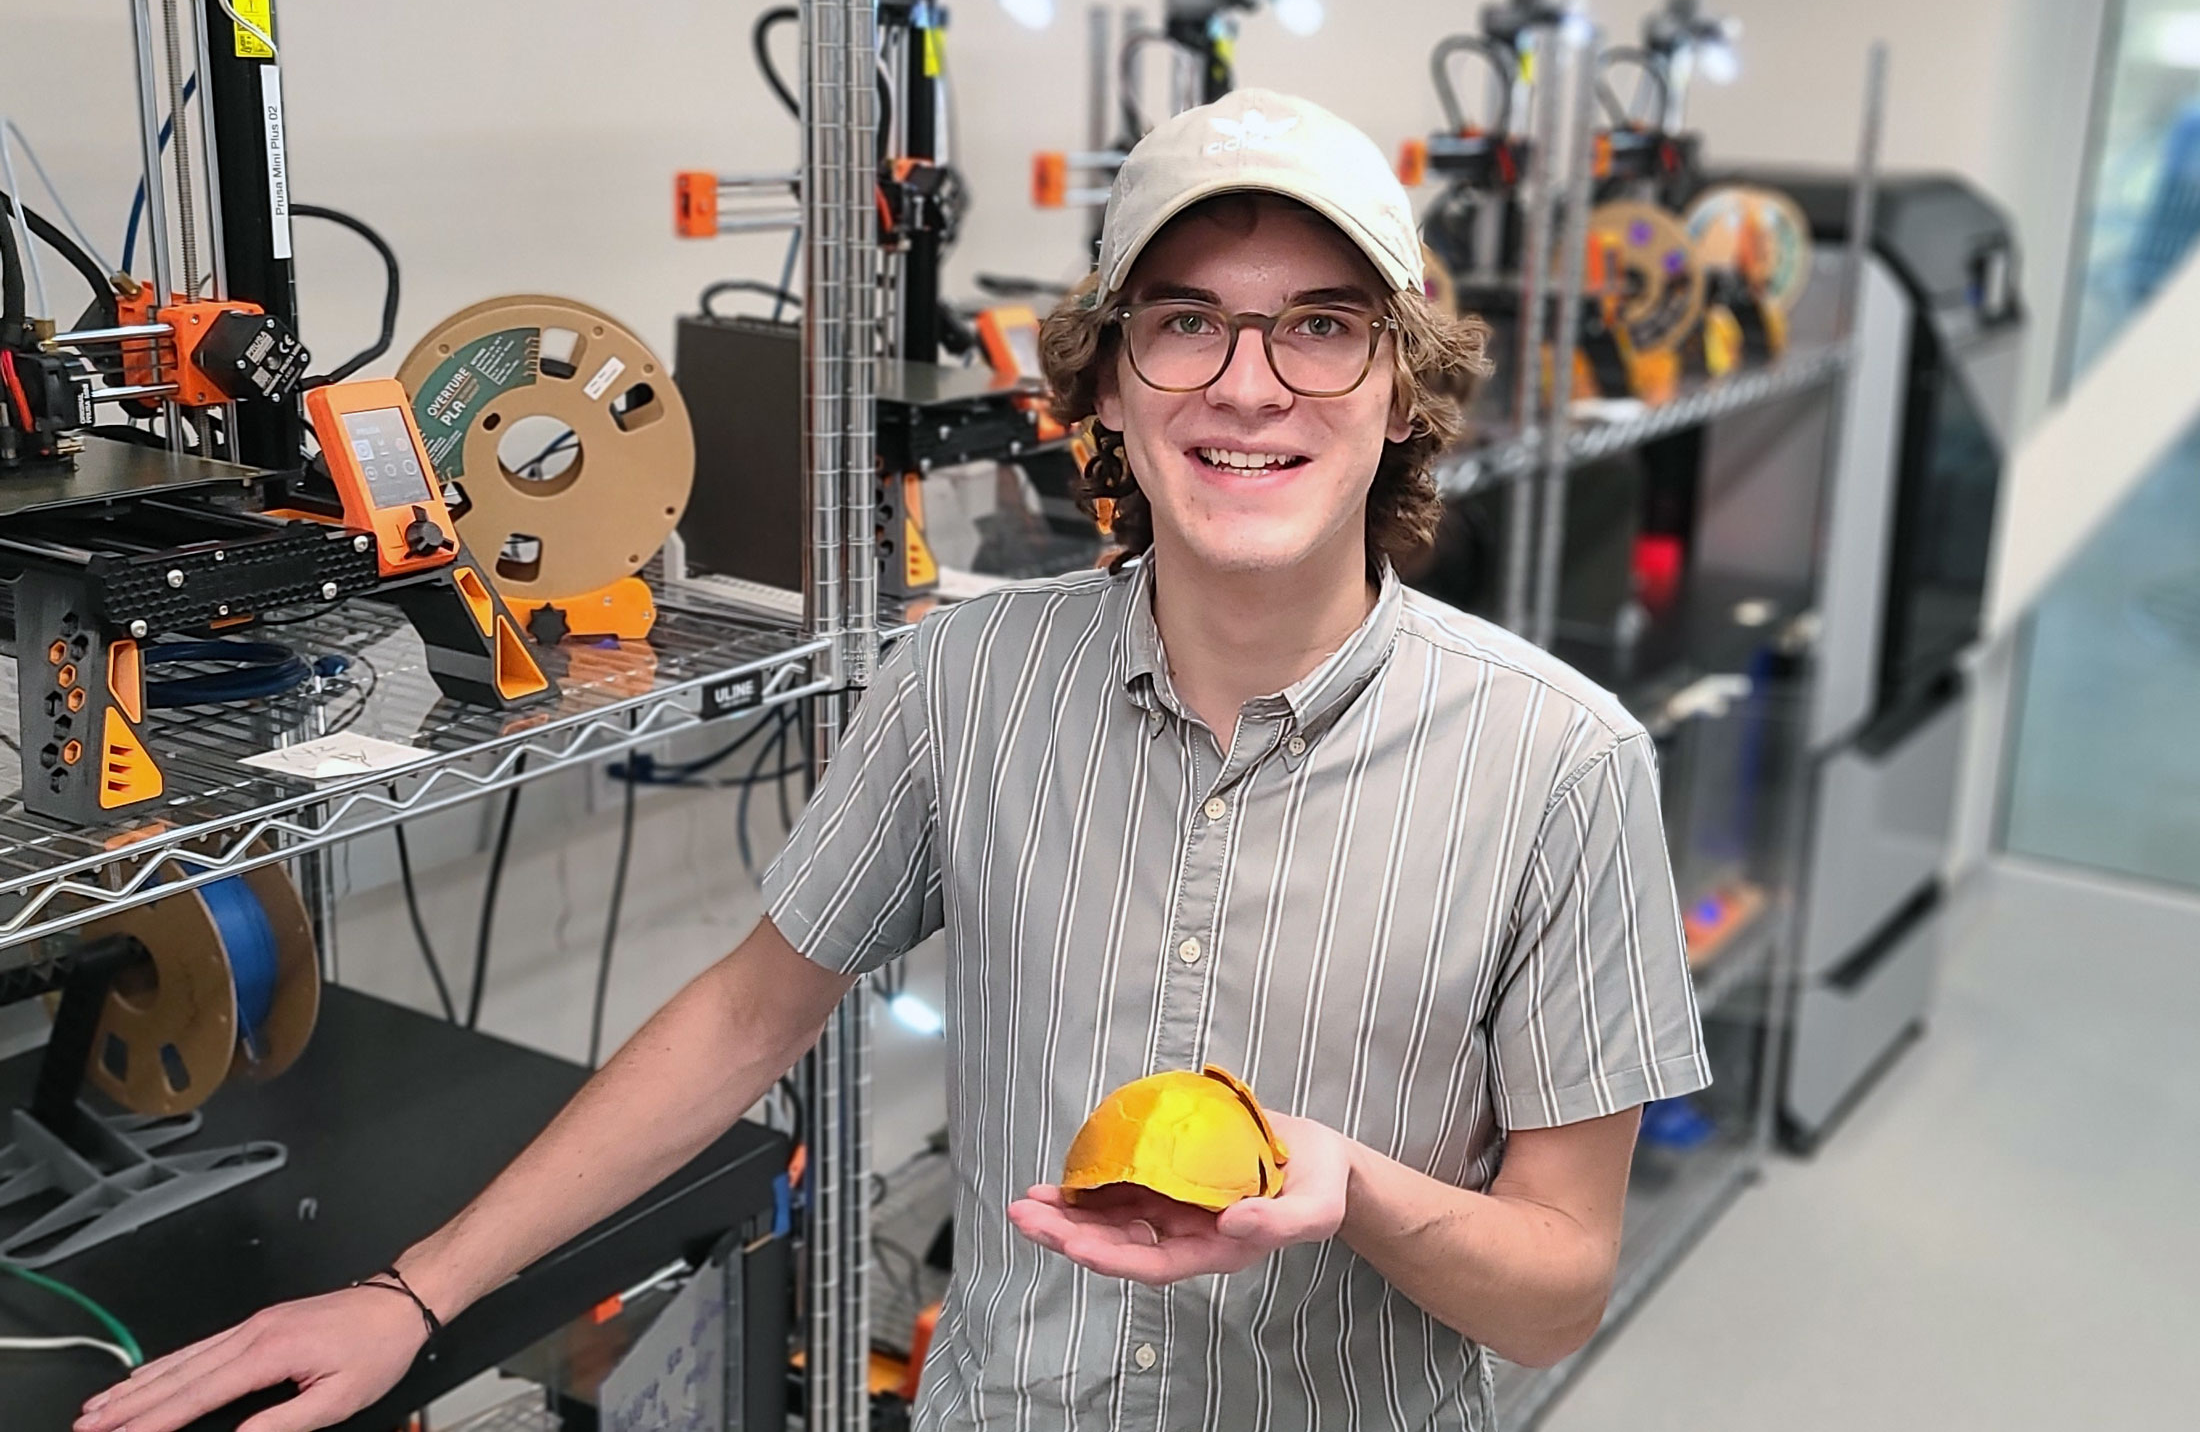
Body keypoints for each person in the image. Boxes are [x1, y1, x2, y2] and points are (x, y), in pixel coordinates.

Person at [78, 88, 1708, 1432]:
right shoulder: (967, 682)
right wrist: (411, 1292)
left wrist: (1352, 1186)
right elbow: (747, 1010)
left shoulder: (1559, 766)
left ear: (1403, 389)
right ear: (1106, 387)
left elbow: (1559, 1287)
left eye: (1322, 330)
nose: (1248, 385)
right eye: (1186, 324)